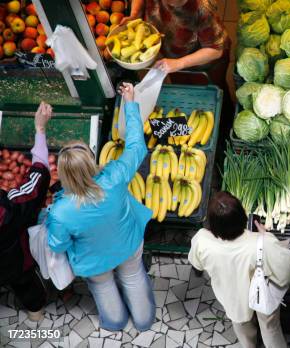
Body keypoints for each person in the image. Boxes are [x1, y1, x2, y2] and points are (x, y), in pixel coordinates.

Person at [46, 83, 155, 332]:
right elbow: (137, 147)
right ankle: (144, 320)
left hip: (94, 261)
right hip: (128, 244)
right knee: (133, 276)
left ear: (62, 174)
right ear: (91, 161)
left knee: (104, 286)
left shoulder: (60, 212)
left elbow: (57, 245)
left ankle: (116, 322)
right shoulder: (114, 176)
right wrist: (130, 102)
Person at [188, 191, 290, 348]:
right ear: (243, 216)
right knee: (270, 327)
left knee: (241, 326)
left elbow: (196, 265)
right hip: (263, 294)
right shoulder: (262, 243)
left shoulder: (201, 240)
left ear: (212, 223)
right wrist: (267, 236)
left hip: (232, 297)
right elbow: (287, 270)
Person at [0, 102, 53, 322]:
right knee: (25, 283)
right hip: (13, 261)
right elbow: (37, 181)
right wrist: (40, 130)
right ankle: (35, 313)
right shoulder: (7, 208)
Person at [121, 0, 229, 83]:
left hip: (202, 64)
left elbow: (216, 49)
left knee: (207, 94)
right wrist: (135, 14)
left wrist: (179, 63)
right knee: (182, 88)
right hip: (173, 57)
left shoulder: (202, 8)